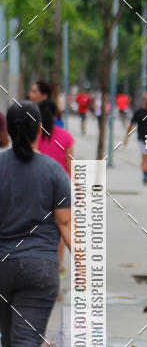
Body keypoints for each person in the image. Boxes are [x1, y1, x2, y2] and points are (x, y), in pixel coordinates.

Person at [0, 101, 71, 347]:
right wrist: (83, 262)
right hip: (40, 266)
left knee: (8, 335)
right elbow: (65, 223)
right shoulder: (53, 170)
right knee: (27, 337)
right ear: (39, 128)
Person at [38, 99, 74, 276]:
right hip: (60, 188)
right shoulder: (66, 137)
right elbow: (70, 167)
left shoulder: (34, 136)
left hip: (37, 187)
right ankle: (57, 267)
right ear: (55, 115)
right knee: (61, 227)